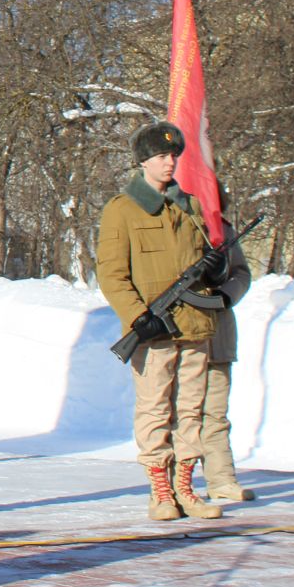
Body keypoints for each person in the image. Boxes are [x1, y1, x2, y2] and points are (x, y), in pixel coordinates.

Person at [96, 121, 229, 521]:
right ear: (142, 161)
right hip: (153, 328)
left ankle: (186, 487)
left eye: (173, 155)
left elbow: (202, 259)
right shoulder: (122, 209)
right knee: (155, 409)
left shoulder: (187, 206)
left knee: (190, 410)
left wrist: (215, 268)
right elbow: (111, 273)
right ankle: (160, 490)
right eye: (160, 156)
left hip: (194, 325)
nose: (169, 162)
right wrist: (139, 317)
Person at [199, 204, 255, 502]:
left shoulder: (221, 229)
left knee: (216, 415)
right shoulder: (169, 224)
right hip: (179, 337)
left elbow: (241, 273)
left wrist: (224, 295)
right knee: (175, 416)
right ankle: (170, 484)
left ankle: (221, 479)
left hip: (217, 335)